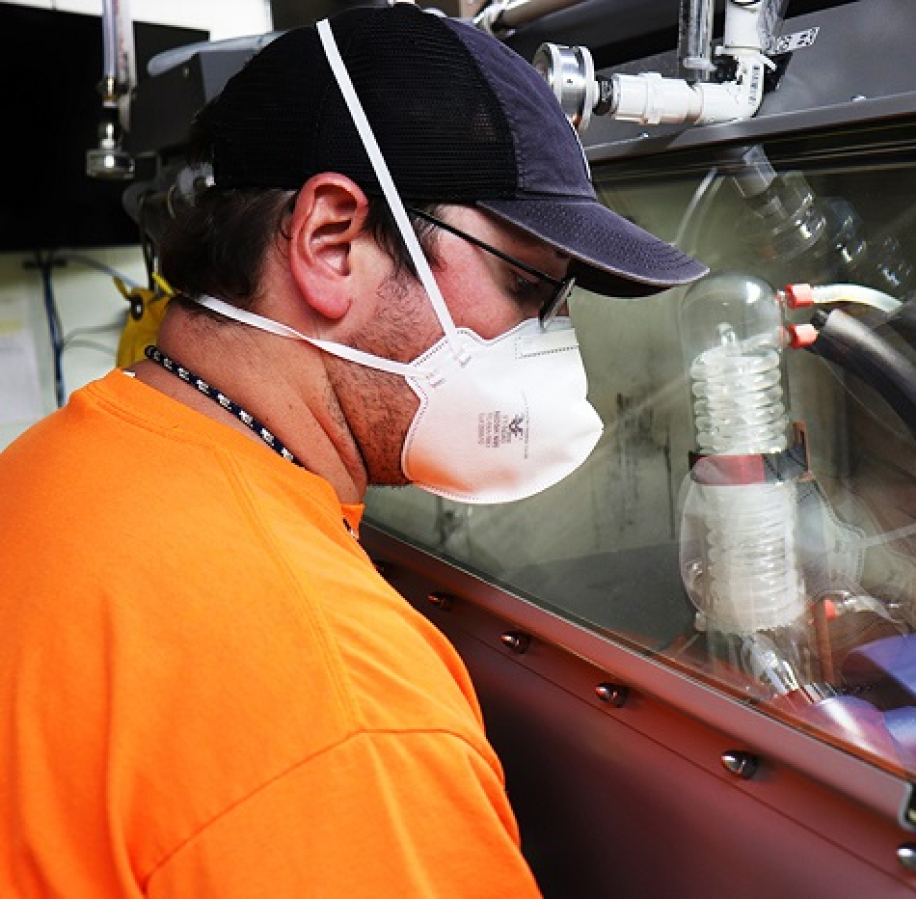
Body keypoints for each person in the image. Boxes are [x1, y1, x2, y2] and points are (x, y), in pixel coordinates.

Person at [0, 4, 705, 897]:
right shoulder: (347, 710)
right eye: (526, 285)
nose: (550, 343)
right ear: (332, 242)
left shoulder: (53, 465)